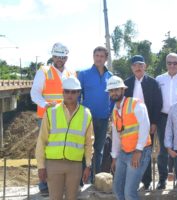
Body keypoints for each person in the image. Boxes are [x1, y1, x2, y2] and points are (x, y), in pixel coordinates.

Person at [35, 76, 94, 200]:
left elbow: (89, 142)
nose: (70, 94)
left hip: (75, 165)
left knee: (72, 198)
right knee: (55, 198)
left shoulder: (86, 114)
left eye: (73, 92)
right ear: (62, 92)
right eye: (67, 91)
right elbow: (42, 140)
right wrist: (41, 166)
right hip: (53, 164)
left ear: (78, 93)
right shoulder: (51, 112)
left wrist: (88, 165)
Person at [30, 42, 76, 194]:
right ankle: (44, 185)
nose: (59, 59)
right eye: (56, 56)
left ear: (66, 58)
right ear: (52, 56)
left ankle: (58, 183)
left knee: (60, 150)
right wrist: (45, 104)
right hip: (47, 117)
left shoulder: (71, 73)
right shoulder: (44, 71)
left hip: (65, 118)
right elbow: (35, 93)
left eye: (62, 57)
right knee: (44, 149)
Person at [107, 75, 152, 200]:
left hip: (139, 152)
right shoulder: (115, 111)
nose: (114, 93)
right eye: (111, 90)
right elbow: (116, 136)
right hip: (124, 153)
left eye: (116, 89)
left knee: (129, 193)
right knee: (117, 189)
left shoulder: (135, 104)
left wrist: (138, 150)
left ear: (123, 90)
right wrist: (114, 157)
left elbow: (145, 126)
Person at [124, 55, 163, 190]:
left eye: (140, 65)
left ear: (145, 66)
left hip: (147, 124)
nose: (138, 68)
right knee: (131, 152)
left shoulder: (153, 83)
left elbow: (158, 104)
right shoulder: (126, 84)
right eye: (135, 65)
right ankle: (133, 181)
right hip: (129, 126)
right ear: (132, 68)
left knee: (146, 153)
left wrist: (154, 123)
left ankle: (146, 182)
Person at [155, 52, 177, 190]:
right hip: (163, 118)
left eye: (175, 63)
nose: (172, 65)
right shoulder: (159, 79)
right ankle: (162, 180)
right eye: (169, 63)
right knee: (163, 150)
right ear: (166, 64)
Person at [78, 46, 113, 180]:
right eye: (96, 55)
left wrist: (109, 112)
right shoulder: (84, 74)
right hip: (86, 119)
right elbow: (77, 95)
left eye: (102, 56)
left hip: (103, 119)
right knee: (85, 149)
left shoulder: (110, 77)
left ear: (106, 58)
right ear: (93, 57)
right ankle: (82, 180)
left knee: (99, 150)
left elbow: (114, 98)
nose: (99, 58)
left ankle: (95, 180)